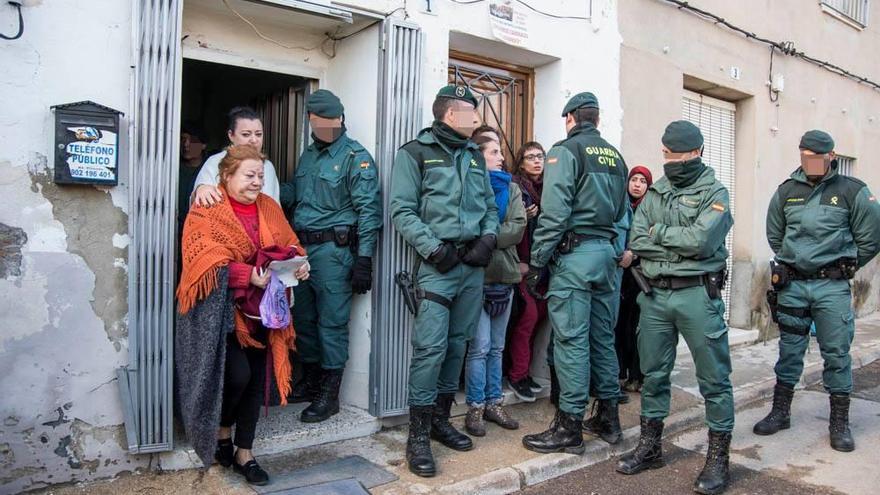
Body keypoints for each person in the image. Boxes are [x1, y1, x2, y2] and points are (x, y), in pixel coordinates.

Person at [175, 145, 310, 485]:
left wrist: (300, 263)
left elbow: (290, 243)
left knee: (257, 380)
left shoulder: (268, 206)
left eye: (260, 177)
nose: (256, 183)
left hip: (264, 312)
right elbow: (200, 261)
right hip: (224, 314)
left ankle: (244, 452)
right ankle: (221, 431)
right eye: (249, 175)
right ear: (227, 176)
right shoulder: (208, 206)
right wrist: (244, 275)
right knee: (238, 377)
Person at [618, 121, 734, 495]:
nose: (669, 161)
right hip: (654, 295)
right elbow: (637, 237)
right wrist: (666, 242)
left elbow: (702, 241)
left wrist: (658, 237)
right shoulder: (657, 191)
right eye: (666, 154)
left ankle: (718, 458)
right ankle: (651, 447)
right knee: (652, 375)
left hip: (696, 295)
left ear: (696, 153)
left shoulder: (714, 192)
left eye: (676, 155)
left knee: (713, 379)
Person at [390, 84, 499, 477]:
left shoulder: (473, 155)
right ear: (451, 114)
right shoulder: (416, 153)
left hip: (472, 264)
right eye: (472, 112)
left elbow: (488, 205)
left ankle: (440, 420)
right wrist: (434, 249)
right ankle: (417, 435)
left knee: (458, 345)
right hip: (437, 265)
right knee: (430, 348)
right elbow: (401, 210)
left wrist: (488, 239)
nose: (477, 119)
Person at [754, 130, 880, 452]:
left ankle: (839, 423)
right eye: (804, 156)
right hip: (793, 286)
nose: (809, 162)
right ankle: (781, 412)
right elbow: (775, 233)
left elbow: (871, 238)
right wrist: (797, 259)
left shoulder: (851, 191)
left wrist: (843, 265)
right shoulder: (787, 191)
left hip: (832, 287)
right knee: (789, 350)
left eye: (816, 157)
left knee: (836, 352)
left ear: (831, 157)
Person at [521, 92, 628, 454]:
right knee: (602, 338)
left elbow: (553, 213)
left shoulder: (564, 151)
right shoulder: (616, 156)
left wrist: (537, 262)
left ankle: (569, 426)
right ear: (595, 119)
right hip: (605, 256)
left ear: (570, 118)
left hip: (575, 257)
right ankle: (609, 418)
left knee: (571, 342)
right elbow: (619, 211)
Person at [278, 89, 382, 423]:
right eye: (319, 120)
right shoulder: (309, 155)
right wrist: (265, 184)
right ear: (311, 120)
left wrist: (364, 260)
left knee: (332, 325)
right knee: (304, 319)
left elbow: (369, 213)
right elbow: (298, 194)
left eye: (332, 120)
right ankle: (309, 380)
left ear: (341, 119)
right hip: (301, 251)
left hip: (335, 255)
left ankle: (329, 393)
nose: (326, 125)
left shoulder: (356, 157)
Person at [464, 135, 526, 437]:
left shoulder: (512, 188)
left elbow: (517, 228)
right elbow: (466, 226)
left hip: (506, 276)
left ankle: (493, 403)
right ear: (479, 156)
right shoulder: (470, 184)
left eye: (501, 151)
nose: (501, 157)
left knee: (497, 347)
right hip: (476, 278)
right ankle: (474, 407)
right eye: (494, 152)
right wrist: (488, 236)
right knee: (480, 347)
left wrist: (486, 239)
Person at [507, 142, 548, 403]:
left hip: (543, 264)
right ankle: (516, 374)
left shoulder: (549, 188)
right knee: (527, 319)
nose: (536, 161)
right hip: (522, 263)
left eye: (540, 156)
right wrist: (524, 214)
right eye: (530, 157)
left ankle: (525, 372)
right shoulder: (516, 187)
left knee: (538, 319)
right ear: (521, 162)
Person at [192, 106, 281, 205]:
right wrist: (201, 188)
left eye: (258, 134)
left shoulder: (268, 167)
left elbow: (274, 207)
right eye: (246, 134)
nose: (254, 140)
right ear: (231, 135)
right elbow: (199, 201)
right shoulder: (215, 162)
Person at [615, 166, 653, 393]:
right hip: (620, 275)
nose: (637, 184)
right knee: (619, 326)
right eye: (634, 179)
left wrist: (634, 253)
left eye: (642, 181)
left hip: (642, 277)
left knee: (637, 328)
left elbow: (652, 238)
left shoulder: (650, 209)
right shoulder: (621, 205)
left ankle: (638, 375)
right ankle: (621, 373)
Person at [178, 122, 207, 232]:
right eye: (183, 139)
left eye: (192, 140)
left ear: (203, 145)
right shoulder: (172, 169)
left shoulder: (211, 170)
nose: (186, 144)